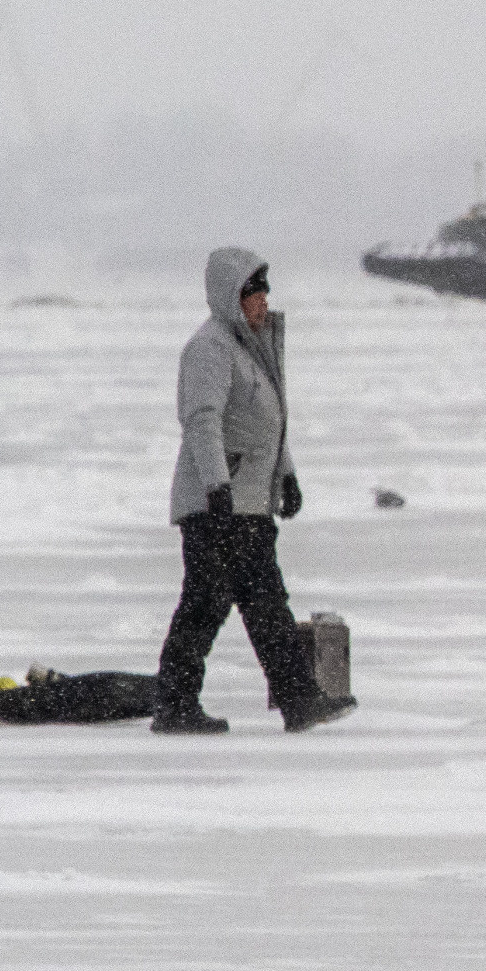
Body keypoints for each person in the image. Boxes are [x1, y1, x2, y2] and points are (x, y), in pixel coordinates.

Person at [154, 248, 356, 735]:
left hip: (249, 504)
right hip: (217, 507)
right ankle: (178, 705)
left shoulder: (252, 349)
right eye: (253, 291)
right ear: (231, 296)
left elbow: (266, 427)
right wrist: (217, 487)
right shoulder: (210, 348)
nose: (263, 300)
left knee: (256, 604)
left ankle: (295, 701)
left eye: (265, 290)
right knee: (213, 604)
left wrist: (286, 475)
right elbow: (202, 423)